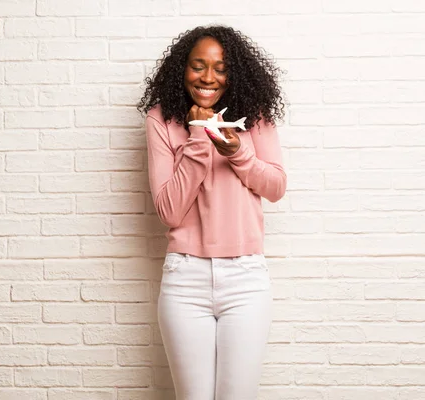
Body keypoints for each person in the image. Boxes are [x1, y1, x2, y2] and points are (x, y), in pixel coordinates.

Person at [137, 25, 287, 400]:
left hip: (246, 279)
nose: (208, 77)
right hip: (185, 279)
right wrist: (198, 138)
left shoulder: (254, 115)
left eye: (220, 68)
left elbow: (275, 187)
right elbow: (170, 210)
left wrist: (237, 152)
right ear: (180, 69)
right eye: (197, 66)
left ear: (234, 71)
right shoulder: (161, 119)